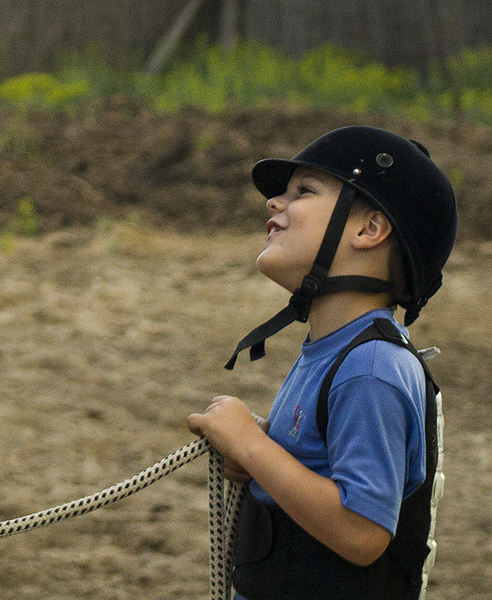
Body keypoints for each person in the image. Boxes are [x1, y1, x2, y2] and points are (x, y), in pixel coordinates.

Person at [187, 125, 457, 600]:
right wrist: (269, 455)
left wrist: (252, 447)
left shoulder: (371, 366)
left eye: (303, 191)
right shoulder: (331, 350)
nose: (274, 203)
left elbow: (361, 532)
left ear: (368, 230)